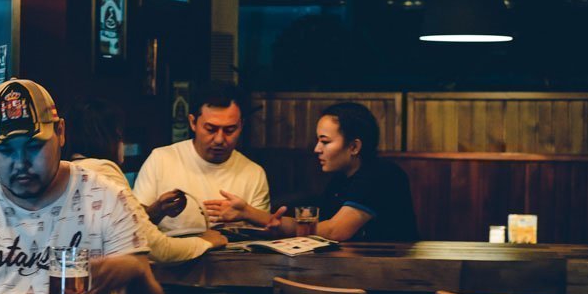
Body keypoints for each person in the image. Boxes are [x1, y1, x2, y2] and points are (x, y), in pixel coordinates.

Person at [0, 78, 162, 294]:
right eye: (5, 150)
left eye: (34, 146)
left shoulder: (108, 198)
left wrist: (136, 272)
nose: (21, 163)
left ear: (60, 133)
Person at [205, 102, 419, 242]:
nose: (317, 148)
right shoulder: (340, 179)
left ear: (354, 147)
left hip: (390, 281)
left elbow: (335, 231)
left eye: (325, 141)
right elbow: (315, 227)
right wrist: (249, 213)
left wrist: (250, 213)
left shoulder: (381, 175)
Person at [65, 99, 227, 263]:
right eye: (119, 135)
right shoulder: (103, 172)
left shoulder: (70, 172)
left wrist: (155, 212)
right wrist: (205, 241)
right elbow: (159, 248)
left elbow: (121, 228)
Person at [133, 81, 270, 235]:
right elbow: (131, 228)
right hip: (174, 249)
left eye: (229, 130)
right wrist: (158, 210)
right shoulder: (161, 159)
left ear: (241, 126)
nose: (219, 139)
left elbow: (262, 235)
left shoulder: (253, 173)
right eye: (210, 129)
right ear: (193, 122)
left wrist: (247, 213)